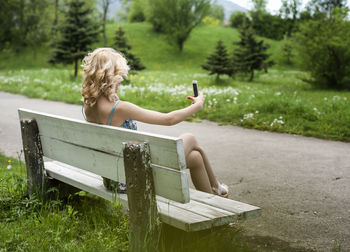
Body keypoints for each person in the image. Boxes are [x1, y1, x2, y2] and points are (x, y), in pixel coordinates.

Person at [81, 48, 228, 197]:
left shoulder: (88, 106)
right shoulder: (120, 108)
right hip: (134, 178)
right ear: (110, 78)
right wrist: (197, 106)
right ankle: (216, 186)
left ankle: (214, 197)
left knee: (195, 158)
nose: (121, 80)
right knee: (190, 137)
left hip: (113, 179)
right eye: (118, 76)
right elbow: (168, 119)